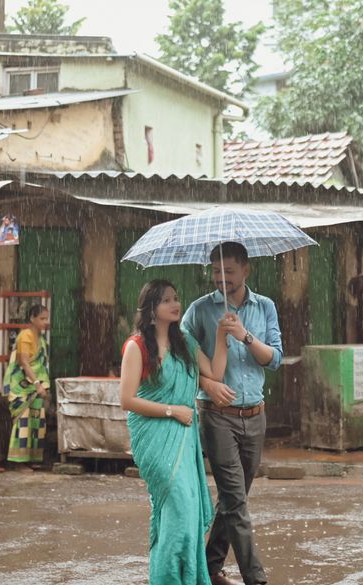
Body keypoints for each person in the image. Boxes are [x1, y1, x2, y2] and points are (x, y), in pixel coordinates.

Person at [181, 242, 283, 585]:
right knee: (236, 501)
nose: (221, 278)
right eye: (215, 271)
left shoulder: (265, 307)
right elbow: (179, 357)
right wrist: (207, 385)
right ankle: (256, 578)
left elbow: (275, 359)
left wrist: (244, 335)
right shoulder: (198, 311)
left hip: (256, 415)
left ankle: (208, 567)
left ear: (246, 270)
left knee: (233, 497)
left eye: (229, 271)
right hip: (217, 416)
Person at [120, 280, 229, 585]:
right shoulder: (137, 346)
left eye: (176, 297)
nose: (175, 303)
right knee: (179, 508)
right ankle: (166, 578)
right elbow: (127, 399)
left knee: (187, 512)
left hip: (183, 435)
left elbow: (215, 374)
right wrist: (172, 410)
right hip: (154, 436)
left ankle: (185, 577)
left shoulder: (185, 343)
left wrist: (222, 336)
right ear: (151, 309)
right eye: (166, 300)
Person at [4, 303, 51, 466]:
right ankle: (18, 462)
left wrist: (40, 386)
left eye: (47, 319)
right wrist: (37, 383)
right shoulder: (25, 336)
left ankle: (32, 459)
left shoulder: (41, 339)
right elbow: (24, 362)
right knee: (23, 423)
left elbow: (40, 364)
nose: (45, 322)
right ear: (32, 318)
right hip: (23, 387)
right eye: (42, 318)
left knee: (36, 422)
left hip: (37, 388)